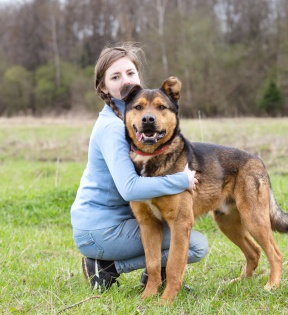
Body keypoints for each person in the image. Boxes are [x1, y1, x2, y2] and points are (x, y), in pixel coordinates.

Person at [70, 42, 208, 292]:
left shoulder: (131, 118)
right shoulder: (114, 127)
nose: (124, 80)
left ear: (138, 77)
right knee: (196, 245)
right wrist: (183, 180)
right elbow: (130, 189)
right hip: (101, 229)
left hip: (114, 222)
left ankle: (155, 275)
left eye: (130, 73)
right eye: (115, 76)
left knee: (169, 223)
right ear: (103, 86)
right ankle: (106, 269)